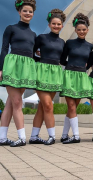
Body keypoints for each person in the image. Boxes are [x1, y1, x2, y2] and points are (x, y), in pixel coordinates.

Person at [0, 0, 37, 147]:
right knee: (17, 102)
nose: (28, 14)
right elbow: (4, 48)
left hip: (26, 68)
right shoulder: (11, 28)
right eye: (25, 11)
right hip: (12, 66)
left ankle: (1, 138)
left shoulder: (33, 34)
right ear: (19, 12)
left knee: (10, 103)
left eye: (30, 11)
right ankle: (21, 138)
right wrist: (0, 68)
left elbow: (33, 53)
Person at [30, 9, 66, 146]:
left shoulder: (62, 42)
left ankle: (34, 136)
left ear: (62, 25)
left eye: (59, 24)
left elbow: (62, 60)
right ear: (49, 24)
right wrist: (39, 62)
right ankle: (52, 136)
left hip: (55, 73)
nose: (56, 26)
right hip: (43, 72)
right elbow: (31, 52)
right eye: (53, 23)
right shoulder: (42, 38)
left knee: (42, 107)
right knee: (48, 105)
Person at [60, 13, 93, 144]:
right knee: (71, 106)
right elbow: (62, 59)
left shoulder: (89, 46)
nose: (81, 32)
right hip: (69, 75)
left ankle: (64, 135)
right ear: (75, 30)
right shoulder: (69, 43)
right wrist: (70, 66)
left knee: (73, 108)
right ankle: (76, 135)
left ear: (87, 30)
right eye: (79, 30)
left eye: (83, 30)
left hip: (81, 76)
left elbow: (90, 61)